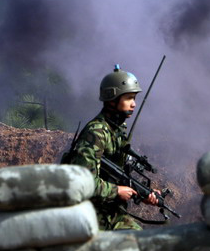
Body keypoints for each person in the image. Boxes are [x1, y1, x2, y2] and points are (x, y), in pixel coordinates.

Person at [63, 65, 159, 230]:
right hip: (91, 217)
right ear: (112, 99)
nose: (134, 104)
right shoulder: (97, 133)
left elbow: (117, 176)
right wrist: (116, 191)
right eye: (128, 98)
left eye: (134, 98)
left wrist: (142, 193)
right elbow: (82, 183)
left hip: (111, 215)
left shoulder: (116, 131)